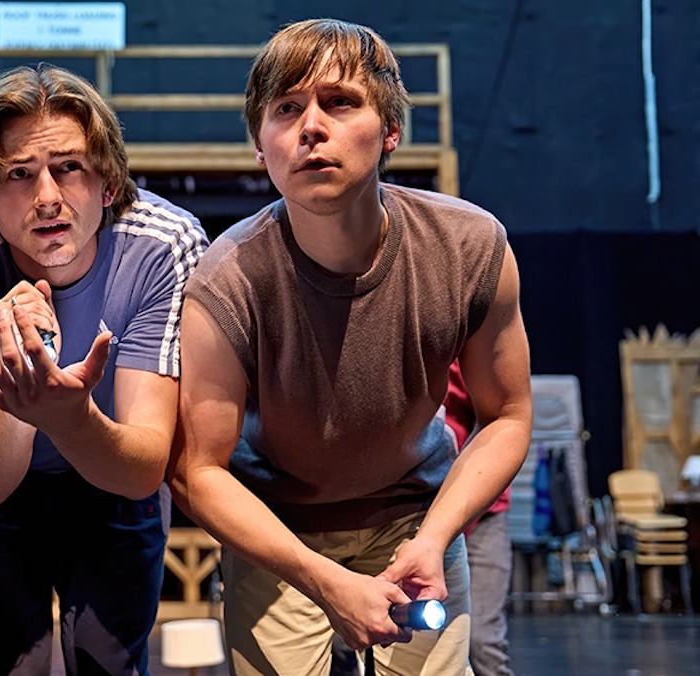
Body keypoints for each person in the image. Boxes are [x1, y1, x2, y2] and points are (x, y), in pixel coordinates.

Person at [168, 18, 532, 675]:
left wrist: (435, 537)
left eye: (339, 102)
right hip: (277, 530)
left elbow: (507, 415)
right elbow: (199, 470)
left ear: (390, 130)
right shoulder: (225, 280)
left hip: (415, 516)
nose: (311, 126)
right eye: (286, 109)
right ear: (260, 145)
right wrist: (324, 580)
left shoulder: (469, 247)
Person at [0, 63, 207, 673]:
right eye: (18, 174)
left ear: (108, 183)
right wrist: (22, 399)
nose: (47, 197)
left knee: (107, 664)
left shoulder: (165, 244)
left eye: (69, 167)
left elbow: (141, 471)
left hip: (109, 476)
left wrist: (68, 415)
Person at [445, 360, 514, 676]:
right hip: (415, 510)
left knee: (482, 639)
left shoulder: (471, 345)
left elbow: (502, 418)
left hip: (482, 512)